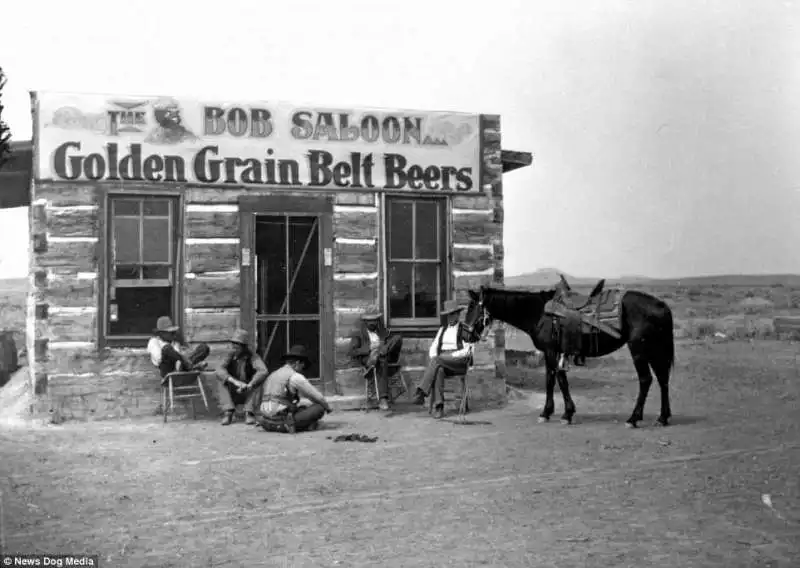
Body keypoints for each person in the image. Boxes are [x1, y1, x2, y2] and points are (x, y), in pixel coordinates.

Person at [413, 299, 475, 419]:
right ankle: (439, 406)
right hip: (442, 361)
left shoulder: (465, 329)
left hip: (458, 362)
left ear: (458, 314)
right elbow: (433, 347)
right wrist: (435, 358)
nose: (450, 317)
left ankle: (421, 392)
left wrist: (450, 356)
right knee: (438, 370)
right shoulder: (442, 329)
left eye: (452, 314)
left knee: (437, 362)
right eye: (448, 315)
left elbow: (469, 350)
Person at [248, 345, 332, 433]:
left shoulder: (273, 374)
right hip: (280, 422)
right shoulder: (295, 376)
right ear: (297, 363)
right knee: (319, 408)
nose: (302, 369)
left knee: (302, 408)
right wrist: (328, 408)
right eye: (302, 366)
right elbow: (318, 397)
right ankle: (305, 426)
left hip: (265, 422)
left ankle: (305, 425)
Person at [348, 308, 404, 411]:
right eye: (370, 321)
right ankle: (383, 398)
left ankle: (381, 353)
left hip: (385, 356)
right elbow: (352, 351)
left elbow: (393, 343)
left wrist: (382, 348)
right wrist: (369, 348)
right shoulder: (358, 333)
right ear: (365, 321)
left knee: (397, 338)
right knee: (381, 359)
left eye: (374, 320)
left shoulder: (382, 331)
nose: (372, 323)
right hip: (370, 359)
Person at [215, 329, 268, 426]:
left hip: (248, 390)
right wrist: (234, 381)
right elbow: (219, 369)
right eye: (233, 345)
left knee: (259, 382)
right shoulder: (229, 354)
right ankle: (228, 412)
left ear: (244, 347)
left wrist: (250, 384)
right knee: (220, 380)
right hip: (233, 389)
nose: (234, 349)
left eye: (237, 346)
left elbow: (263, 371)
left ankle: (249, 413)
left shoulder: (252, 356)